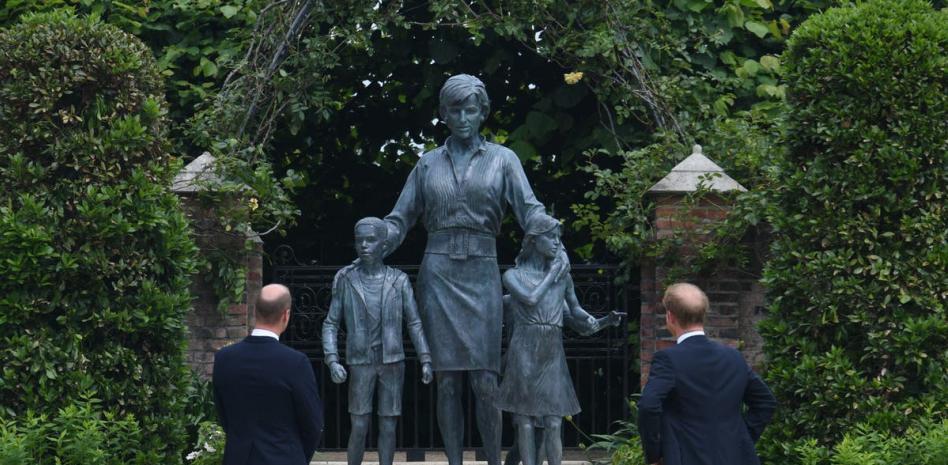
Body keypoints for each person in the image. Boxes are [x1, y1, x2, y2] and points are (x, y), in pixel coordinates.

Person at [383, 74, 548, 465]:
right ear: (443, 114)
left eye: (470, 109)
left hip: (482, 271)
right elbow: (400, 218)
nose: (462, 117)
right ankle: (456, 462)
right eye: (454, 110)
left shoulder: (504, 160)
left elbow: (530, 209)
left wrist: (549, 233)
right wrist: (377, 239)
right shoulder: (427, 164)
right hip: (438, 274)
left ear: (483, 113)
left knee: (485, 379)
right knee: (447, 382)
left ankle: (491, 460)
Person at [496, 214, 622, 465]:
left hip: (551, 350)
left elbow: (576, 313)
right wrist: (552, 273)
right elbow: (530, 300)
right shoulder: (512, 275)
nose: (556, 243)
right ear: (533, 240)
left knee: (554, 420)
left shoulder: (562, 277)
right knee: (526, 421)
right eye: (550, 237)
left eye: (558, 238)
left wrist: (604, 321)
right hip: (524, 348)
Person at [322, 217, 434, 465]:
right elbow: (330, 323)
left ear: (384, 244)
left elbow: (414, 322)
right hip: (361, 361)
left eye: (371, 240)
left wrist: (425, 358)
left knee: (388, 426)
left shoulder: (399, 280)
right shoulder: (347, 280)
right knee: (359, 425)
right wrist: (332, 360)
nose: (364, 245)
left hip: (393, 361)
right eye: (359, 240)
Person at [638, 283, 776, 465]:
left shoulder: (668, 359)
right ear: (703, 315)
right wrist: (741, 439)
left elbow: (648, 406)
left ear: (670, 316)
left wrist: (655, 455)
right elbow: (765, 402)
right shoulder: (733, 357)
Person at [213, 284, 324, 465]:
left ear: (255, 311)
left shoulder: (224, 358)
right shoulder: (295, 363)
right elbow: (313, 423)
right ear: (286, 315)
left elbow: (224, 414)